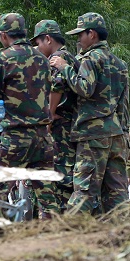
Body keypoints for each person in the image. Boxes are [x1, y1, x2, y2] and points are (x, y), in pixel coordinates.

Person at [50, 12, 129, 213]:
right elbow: (124, 104)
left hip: (93, 135)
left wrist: (65, 67)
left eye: (80, 34)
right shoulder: (120, 63)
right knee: (117, 192)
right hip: (117, 134)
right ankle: (121, 237)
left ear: (91, 34)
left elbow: (84, 88)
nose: (78, 39)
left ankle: (68, 236)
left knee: (84, 190)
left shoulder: (90, 59)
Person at [0, 13, 60, 219]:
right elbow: (48, 91)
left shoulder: (1, 58)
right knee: (47, 196)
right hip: (42, 137)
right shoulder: (43, 59)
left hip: (14, 138)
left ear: (3, 35)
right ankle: (58, 238)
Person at [30, 19, 79, 210]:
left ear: (48, 39)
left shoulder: (58, 58)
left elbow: (56, 86)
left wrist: (48, 116)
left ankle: (66, 216)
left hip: (62, 127)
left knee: (63, 176)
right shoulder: (70, 57)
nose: (37, 46)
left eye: (38, 42)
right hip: (70, 124)